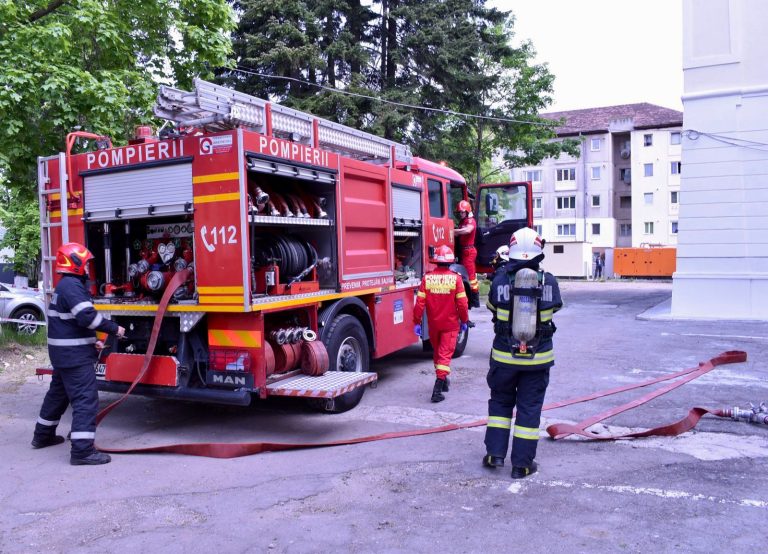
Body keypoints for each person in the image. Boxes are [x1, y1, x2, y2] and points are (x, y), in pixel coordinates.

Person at [32, 242, 125, 465]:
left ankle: (42, 435)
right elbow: (86, 318)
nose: (87, 269)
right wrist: (114, 329)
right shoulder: (73, 286)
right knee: (86, 399)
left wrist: (90, 342)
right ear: (75, 264)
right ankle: (82, 451)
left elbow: (71, 323)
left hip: (64, 354)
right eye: (85, 264)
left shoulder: (64, 285)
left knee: (57, 395)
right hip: (74, 357)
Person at [483, 228, 562, 478]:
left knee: (500, 404)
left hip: (504, 357)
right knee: (529, 409)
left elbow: (492, 308)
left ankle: (495, 454)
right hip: (538, 359)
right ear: (539, 252)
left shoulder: (498, 280)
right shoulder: (548, 280)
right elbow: (555, 307)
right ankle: (522, 465)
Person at [413, 245, 470, 403]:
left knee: (438, 354)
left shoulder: (427, 278)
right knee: (445, 355)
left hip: (434, 325)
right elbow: (463, 304)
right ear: (450, 261)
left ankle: (444, 381)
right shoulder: (456, 278)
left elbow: (419, 304)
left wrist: (416, 321)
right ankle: (437, 390)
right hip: (450, 325)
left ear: (436, 261)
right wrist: (464, 320)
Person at [452, 200, 479, 308]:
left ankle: (474, 300)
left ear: (467, 212)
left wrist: (452, 230)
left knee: (471, 277)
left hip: (469, 251)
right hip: (464, 251)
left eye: (462, 212)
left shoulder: (470, 221)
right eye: (459, 212)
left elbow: (467, 231)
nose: (460, 214)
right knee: (465, 276)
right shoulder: (462, 222)